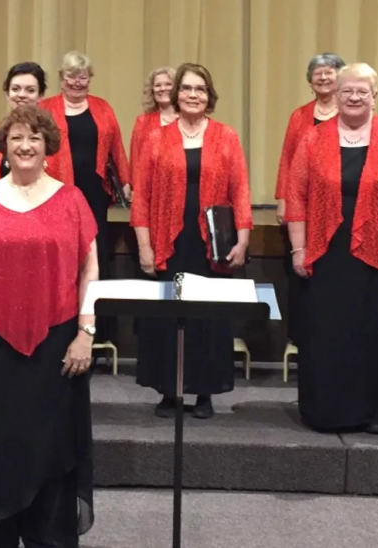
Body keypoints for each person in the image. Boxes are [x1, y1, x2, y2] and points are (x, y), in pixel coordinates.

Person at [0, 105, 97, 546]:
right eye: (16, 138)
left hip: (57, 348)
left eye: (33, 137)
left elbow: (90, 272)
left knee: (50, 453)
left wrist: (85, 333)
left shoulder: (72, 199)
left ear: (48, 146)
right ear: (4, 146)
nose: (25, 145)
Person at [285, 63, 378, 433]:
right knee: (329, 333)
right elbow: (296, 195)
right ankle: (327, 411)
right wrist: (298, 249)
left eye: (362, 91)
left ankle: (377, 411)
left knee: (376, 332)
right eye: (347, 90)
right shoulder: (314, 139)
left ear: (375, 96)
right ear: (336, 93)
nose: (354, 97)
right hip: (326, 253)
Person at [131, 63, 252, 419]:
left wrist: (242, 240)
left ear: (209, 95)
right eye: (186, 89)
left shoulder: (226, 136)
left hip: (211, 242)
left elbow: (240, 190)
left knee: (207, 319)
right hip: (170, 238)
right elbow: (141, 198)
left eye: (200, 89)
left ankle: (204, 392)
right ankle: (170, 391)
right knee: (168, 317)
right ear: (175, 94)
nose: (193, 95)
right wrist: (144, 245)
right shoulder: (156, 138)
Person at [40, 51, 131, 350]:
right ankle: (57, 321)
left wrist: (126, 182)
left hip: (93, 192)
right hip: (54, 191)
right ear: (61, 79)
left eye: (83, 76)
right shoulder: (46, 108)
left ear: (90, 79)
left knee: (94, 254)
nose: (77, 82)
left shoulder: (103, 108)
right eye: (71, 76)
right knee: (58, 254)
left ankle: (95, 329)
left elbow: (116, 147)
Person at [275, 52, 345, 352]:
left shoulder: (349, 113)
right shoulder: (299, 116)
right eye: (318, 72)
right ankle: (302, 333)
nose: (324, 77)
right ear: (310, 80)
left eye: (330, 72)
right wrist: (283, 199)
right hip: (304, 203)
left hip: (339, 202)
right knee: (302, 267)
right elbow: (288, 159)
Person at [0, 62, 73, 185]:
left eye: (30, 90)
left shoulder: (54, 135)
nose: (21, 95)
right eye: (15, 89)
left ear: (40, 96)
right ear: (7, 94)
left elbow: (65, 186)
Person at [129, 67, 176, 177]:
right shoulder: (143, 122)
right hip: (152, 184)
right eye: (158, 85)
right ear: (152, 90)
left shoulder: (188, 120)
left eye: (168, 84)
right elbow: (136, 161)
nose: (162, 88)